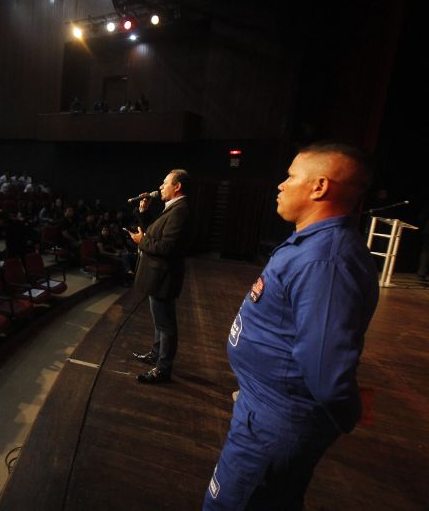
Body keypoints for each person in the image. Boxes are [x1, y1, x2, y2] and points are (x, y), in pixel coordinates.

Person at [204, 142, 379, 510]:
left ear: (319, 186)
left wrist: (346, 411)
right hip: (265, 410)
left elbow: (327, 371)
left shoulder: (325, 263)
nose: (281, 185)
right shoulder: (315, 245)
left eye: (291, 176)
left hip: (274, 424)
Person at [127, 169, 192, 384]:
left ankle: (163, 370)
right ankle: (156, 355)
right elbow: (154, 232)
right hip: (159, 276)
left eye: (165, 183)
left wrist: (141, 242)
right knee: (160, 323)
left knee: (166, 326)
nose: (161, 187)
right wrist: (143, 212)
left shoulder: (180, 211)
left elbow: (166, 247)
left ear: (177, 186)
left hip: (164, 277)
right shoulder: (173, 208)